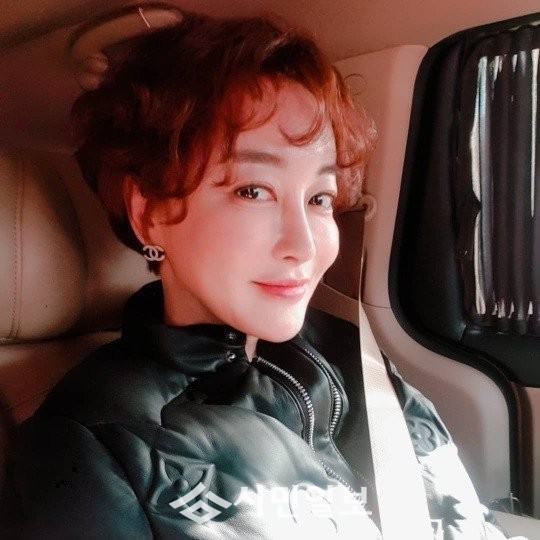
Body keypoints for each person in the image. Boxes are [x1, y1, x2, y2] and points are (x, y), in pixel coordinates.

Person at [0, 12, 515, 539]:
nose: (304, 246)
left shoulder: (352, 357)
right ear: (149, 211)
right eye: (253, 191)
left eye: (319, 198)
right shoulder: (90, 447)